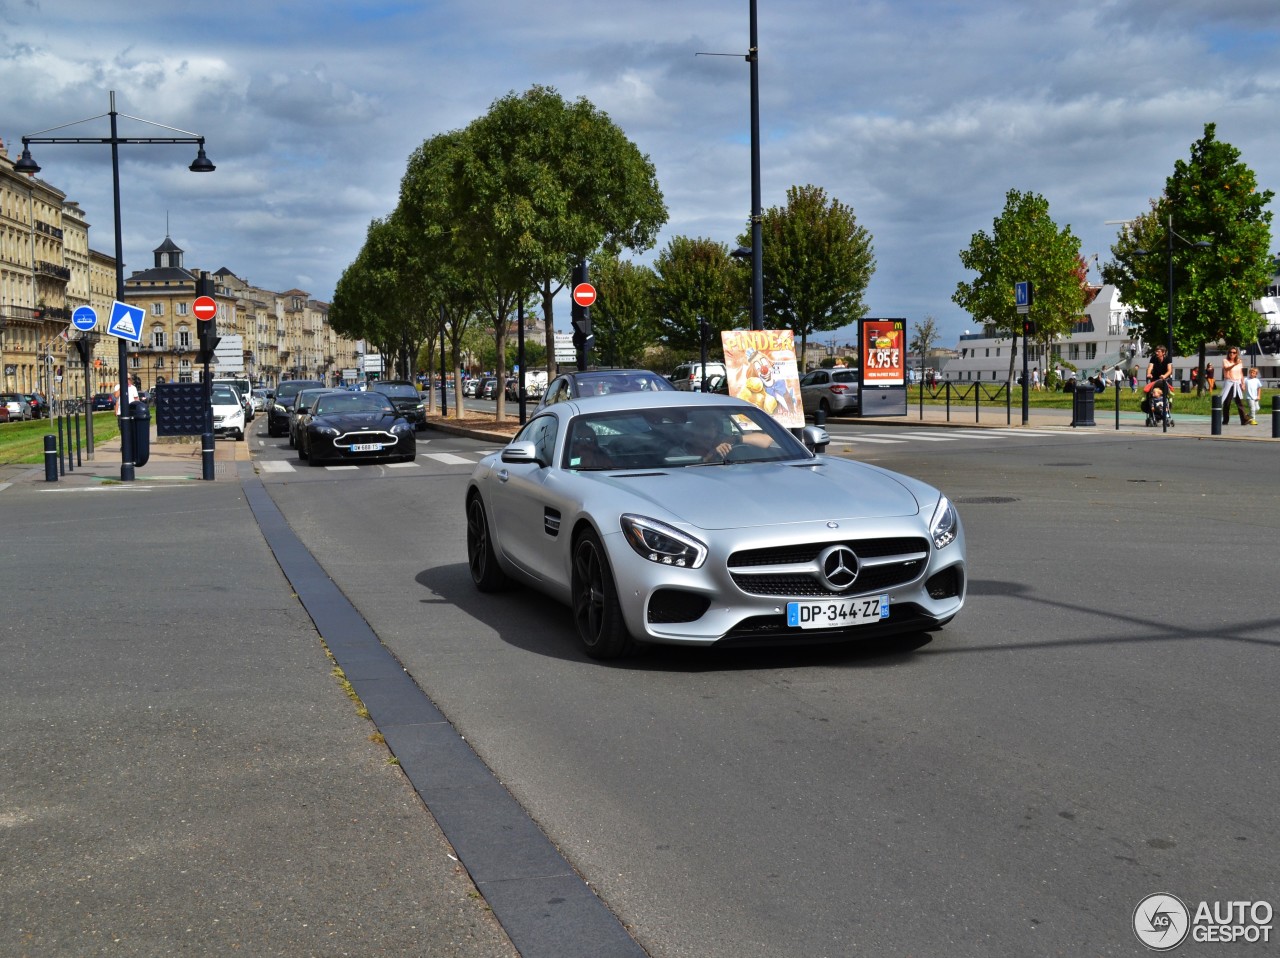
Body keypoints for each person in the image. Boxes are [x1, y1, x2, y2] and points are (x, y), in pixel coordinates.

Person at [1219, 347, 1250, 426]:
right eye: (1230, 352)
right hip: (1229, 383)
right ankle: (1225, 420)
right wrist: (1234, 364)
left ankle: (1244, 420)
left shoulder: (1239, 362)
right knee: (1227, 402)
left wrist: (1243, 383)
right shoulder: (1225, 361)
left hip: (1237, 383)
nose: (1232, 354)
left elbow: (1241, 373)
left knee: (1239, 402)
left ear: (1236, 354)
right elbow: (1226, 369)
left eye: (1234, 352)